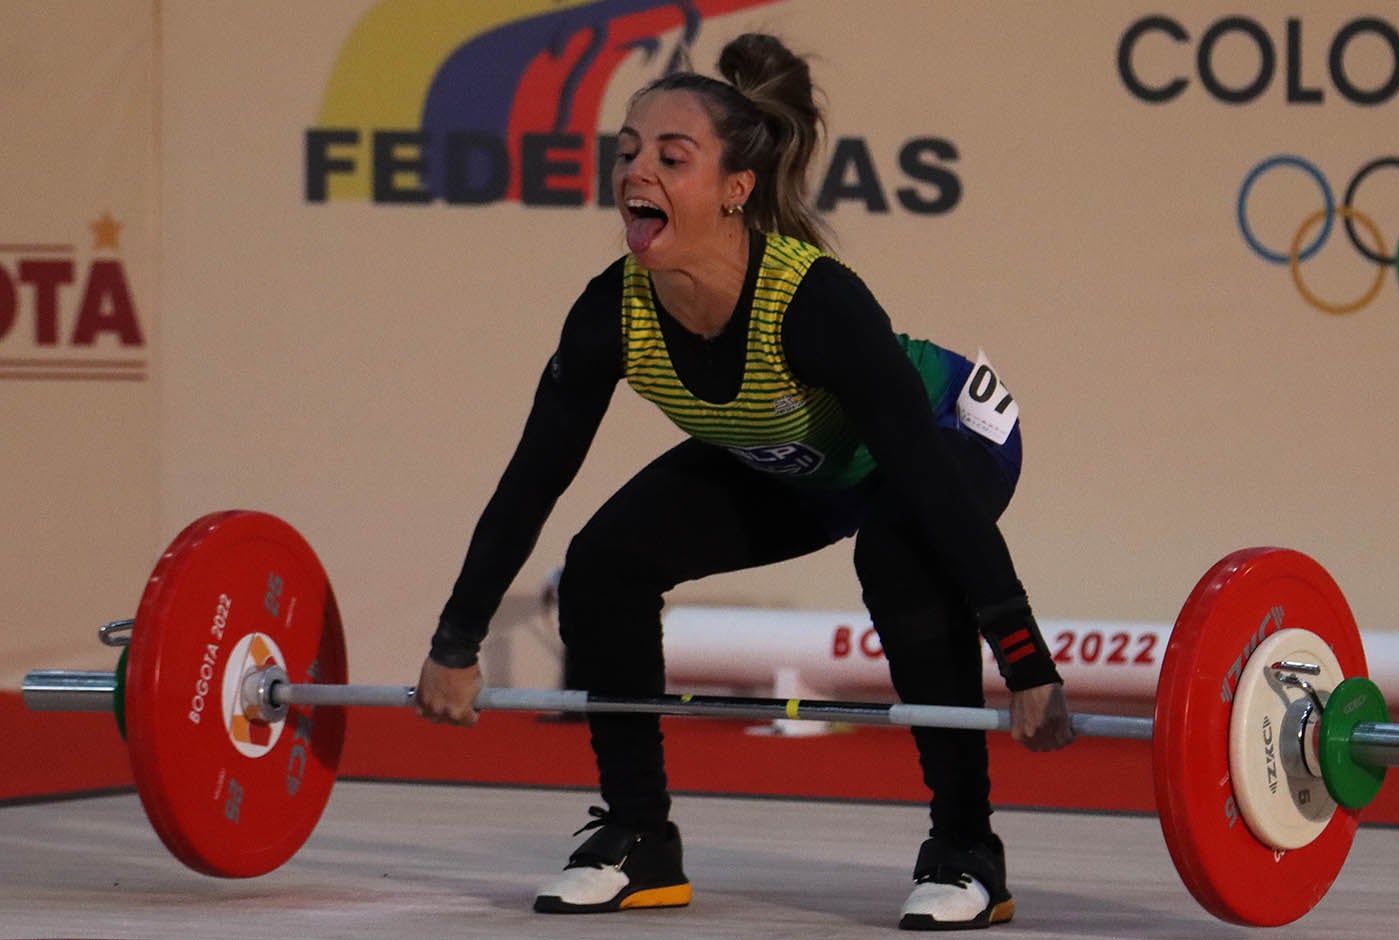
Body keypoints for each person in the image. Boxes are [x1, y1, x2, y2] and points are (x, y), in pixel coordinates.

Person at [413, 32, 1073, 931]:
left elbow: (924, 478)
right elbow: (531, 482)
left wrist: (1025, 661)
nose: (637, 171)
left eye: (670, 157)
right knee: (604, 562)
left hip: (948, 436)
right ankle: (639, 838)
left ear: (734, 191)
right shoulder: (610, 313)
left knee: (897, 552)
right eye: (628, 154)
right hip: (797, 460)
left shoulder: (815, 304)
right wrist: (456, 641)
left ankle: (967, 849)